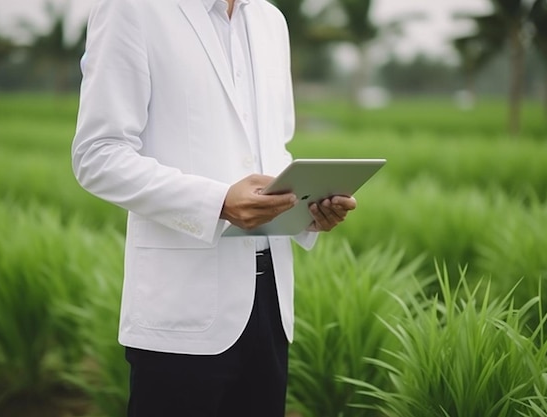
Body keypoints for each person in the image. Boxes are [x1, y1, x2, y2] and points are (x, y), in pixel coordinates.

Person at [71, 0, 357, 416]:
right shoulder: (131, 9)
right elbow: (97, 155)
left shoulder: (271, 21)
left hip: (270, 308)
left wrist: (308, 210)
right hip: (182, 310)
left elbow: (272, 152)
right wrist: (218, 202)